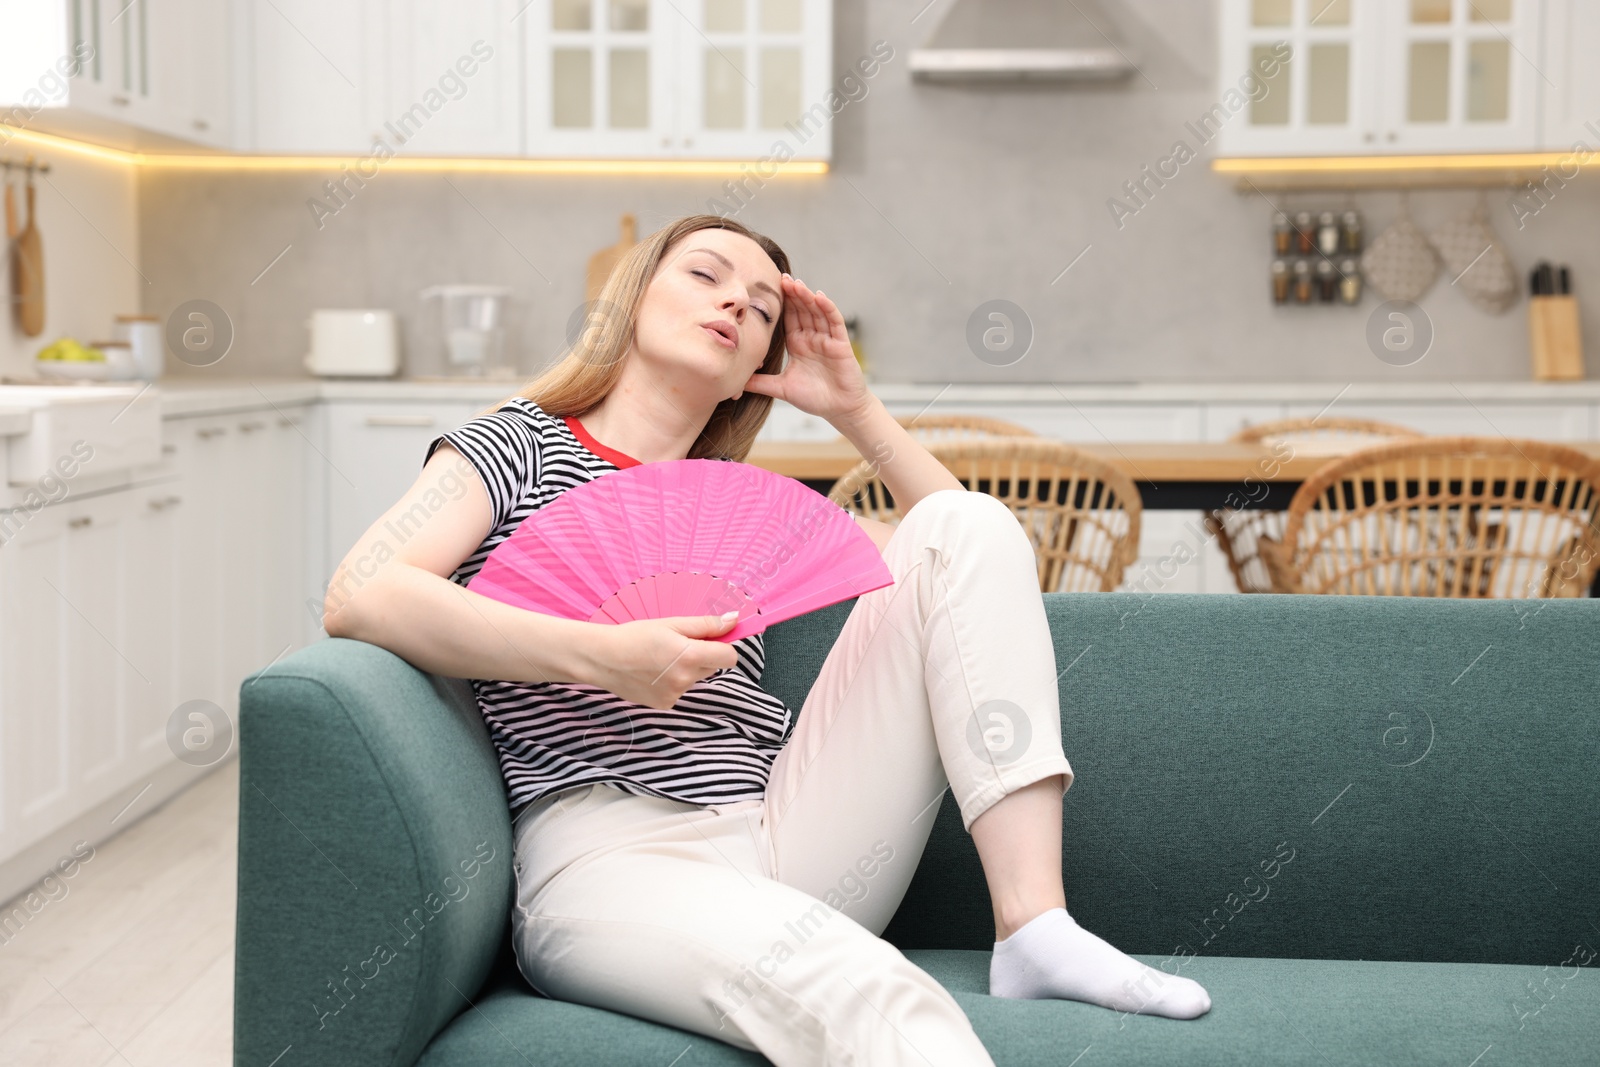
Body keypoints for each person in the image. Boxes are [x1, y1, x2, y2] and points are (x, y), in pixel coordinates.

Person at [323, 213, 1211, 1066]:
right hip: (607, 855)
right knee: (862, 986)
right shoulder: (515, 444)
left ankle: (1034, 925)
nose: (734, 304)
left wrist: (857, 411)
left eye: (760, 309)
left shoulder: (734, 501)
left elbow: (959, 553)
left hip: (784, 829)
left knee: (969, 521)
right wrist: (604, 656)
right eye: (706, 275)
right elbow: (359, 593)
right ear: (632, 300)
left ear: (758, 363)